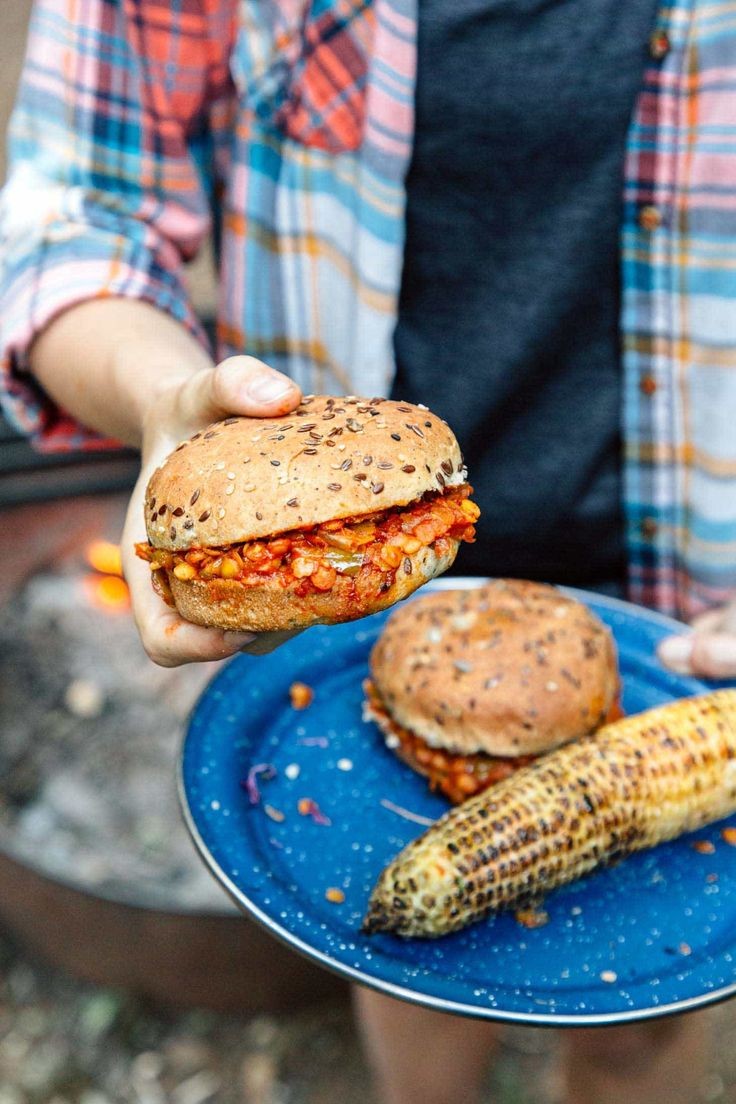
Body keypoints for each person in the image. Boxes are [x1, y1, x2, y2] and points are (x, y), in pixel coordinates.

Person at [2, 1, 735, 1102]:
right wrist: (165, 399)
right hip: (343, 611)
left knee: (637, 1024)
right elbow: (72, 211)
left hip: (689, 586)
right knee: (392, 957)